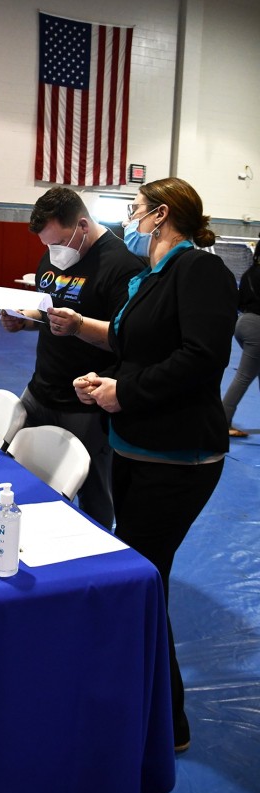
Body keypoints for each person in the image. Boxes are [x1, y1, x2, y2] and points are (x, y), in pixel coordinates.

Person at [69, 177, 238, 753]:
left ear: (162, 215)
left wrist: (127, 393)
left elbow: (202, 356)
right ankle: (142, 708)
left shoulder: (200, 271)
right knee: (140, 580)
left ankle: (165, 724)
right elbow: (131, 344)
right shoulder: (150, 278)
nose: (130, 221)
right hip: (136, 447)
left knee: (142, 581)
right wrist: (107, 382)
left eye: (137, 211)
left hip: (179, 456)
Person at [0, 186, 144, 529]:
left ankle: (98, 562)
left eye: (59, 243)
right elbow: (51, 314)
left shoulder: (123, 265)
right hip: (41, 389)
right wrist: (25, 320)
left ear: (82, 225)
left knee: (94, 494)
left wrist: (78, 326)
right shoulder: (53, 255)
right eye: (48, 245)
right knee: (16, 474)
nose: (54, 253)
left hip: (86, 401)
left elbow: (129, 339)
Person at [222, 236, 260, 438]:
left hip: (243, 322)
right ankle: (222, 422)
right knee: (244, 375)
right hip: (257, 327)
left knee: (253, 372)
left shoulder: (249, 273)